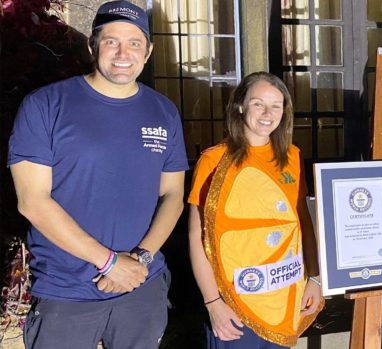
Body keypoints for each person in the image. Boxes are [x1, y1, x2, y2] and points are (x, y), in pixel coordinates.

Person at [8, 1, 188, 348]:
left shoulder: (163, 111)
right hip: (68, 291)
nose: (123, 53)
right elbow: (32, 201)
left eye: (135, 43)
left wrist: (140, 260)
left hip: (141, 288)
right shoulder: (46, 105)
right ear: (92, 46)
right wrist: (108, 263)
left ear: (148, 51)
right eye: (111, 41)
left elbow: (173, 195)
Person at [187, 71, 323, 349]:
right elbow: (196, 236)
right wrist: (213, 303)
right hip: (233, 301)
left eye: (276, 105)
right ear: (240, 105)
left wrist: (316, 278)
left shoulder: (293, 156)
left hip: (283, 298)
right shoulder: (213, 161)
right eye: (258, 103)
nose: (267, 113)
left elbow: (301, 222)